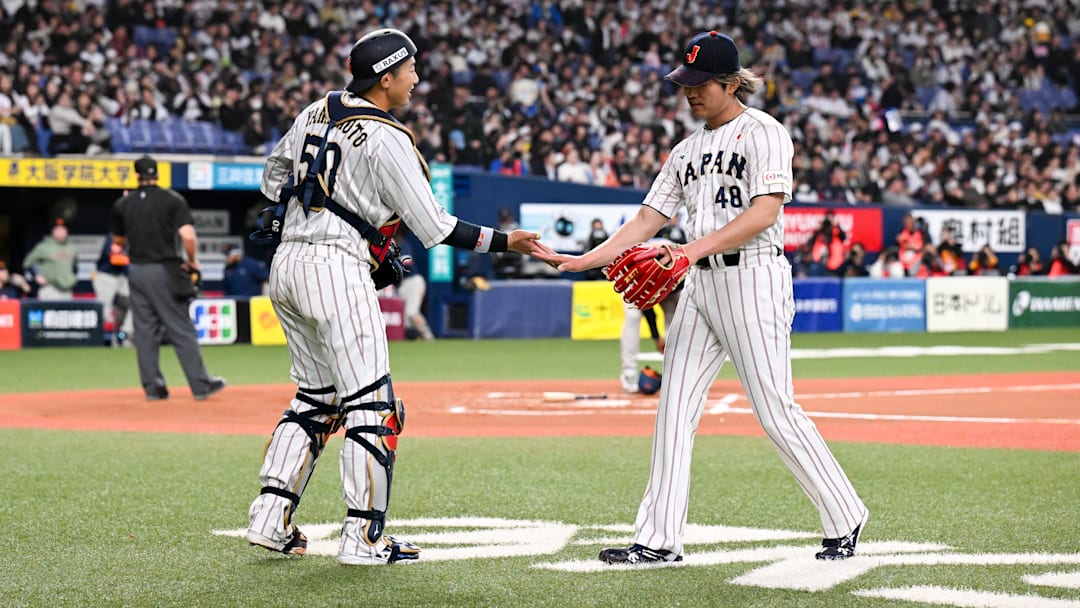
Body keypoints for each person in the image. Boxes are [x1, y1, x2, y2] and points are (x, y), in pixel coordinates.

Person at [536, 31, 868, 565]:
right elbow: (648, 219)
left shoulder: (764, 132)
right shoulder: (685, 150)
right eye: (684, 82)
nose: (689, 92)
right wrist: (582, 260)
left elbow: (764, 213)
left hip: (752, 278)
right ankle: (658, 540)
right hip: (700, 283)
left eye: (700, 83)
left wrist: (686, 253)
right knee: (673, 409)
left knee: (774, 409)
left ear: (731, 83)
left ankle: (844, 514)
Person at [244, 28, 553, 566]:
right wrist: (507, 241)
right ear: (385, 79)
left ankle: (269, 520)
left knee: (316, 399)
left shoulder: (316, 110)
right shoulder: (388, 137)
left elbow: (273, 178)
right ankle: (364, 539)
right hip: (335, 267)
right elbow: (433, 227)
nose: (416, 78)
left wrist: (302, 212)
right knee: (374, 406)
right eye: (410, 70)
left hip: (288, 264)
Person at [110, 155, 227, 401]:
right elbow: (188, 235)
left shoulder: (123, 204)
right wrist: (192, 260)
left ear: (136, 176)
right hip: (164, 269)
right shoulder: (172, 199)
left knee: (144, 331)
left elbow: (118, 242)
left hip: (138, 271)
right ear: (158, 174)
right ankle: (201, 384)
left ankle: (153, 388)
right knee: (180, 327)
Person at [92, 233, 134, 347]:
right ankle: (103, 339)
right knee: (105, 309)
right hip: (105, 275)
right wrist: (132, 264)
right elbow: (115, 259)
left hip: (122, 276)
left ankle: (126, 334)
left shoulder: (136, 237)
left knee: (136, 302)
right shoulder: (116, 236)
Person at [392, 230, 435, 340]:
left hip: (412, 282)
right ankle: (416, 339)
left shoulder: (402, 243)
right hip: (400, 284)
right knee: (405, 320)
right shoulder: (386, 244)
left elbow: (407, 263)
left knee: (412, 313)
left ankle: (428, 336)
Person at [22, 218, 78, 300]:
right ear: (53, 231)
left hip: (67, 290)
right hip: (50, 288)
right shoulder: (44, 246)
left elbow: (75, 267)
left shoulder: (72, 247)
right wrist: (37, 275)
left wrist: (72, 279)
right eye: (58, 229)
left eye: (63, 229)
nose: (61, 232)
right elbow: (27, 263)